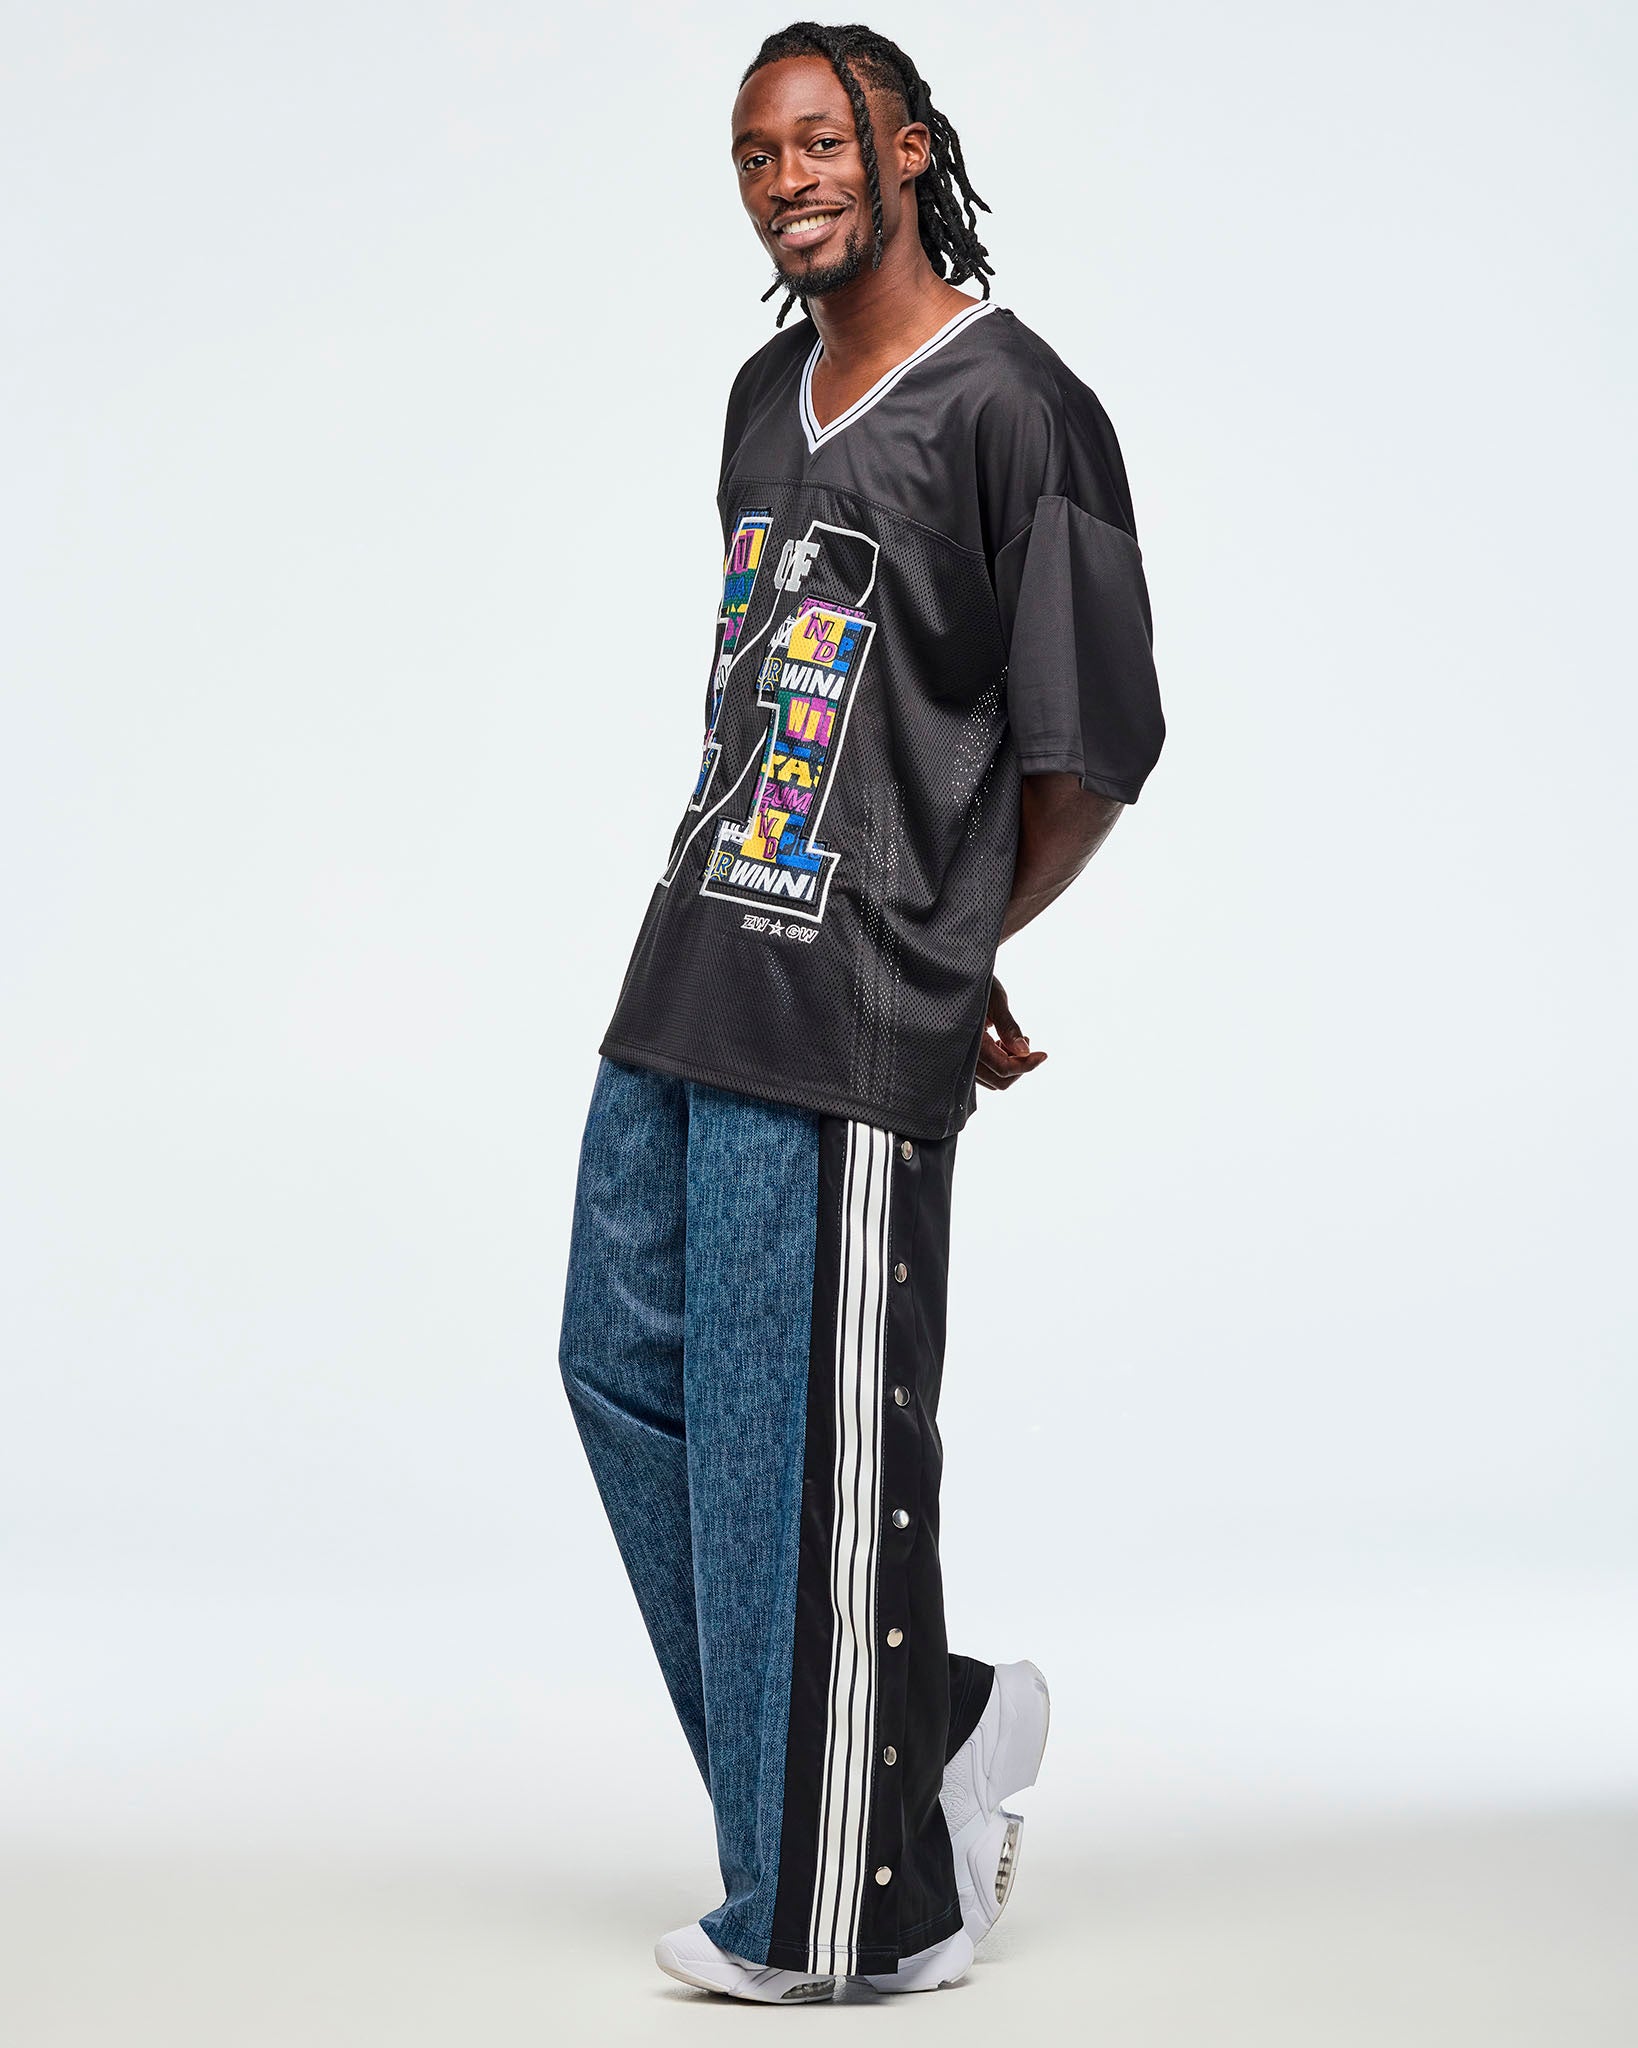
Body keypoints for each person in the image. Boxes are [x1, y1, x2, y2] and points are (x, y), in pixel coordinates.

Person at [558, 19, 1164, 2004]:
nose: (787, 177)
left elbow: (1089, 742)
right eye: (756, 153)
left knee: (801, 1441)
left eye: (822, 139)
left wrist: (953, 938)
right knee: (628, 1373)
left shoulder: (1019, 408)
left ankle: (854, 1911)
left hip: (848, 1015)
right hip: (692, 963)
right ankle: (923, 1734)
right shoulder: (762, 397)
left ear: (907, 149)